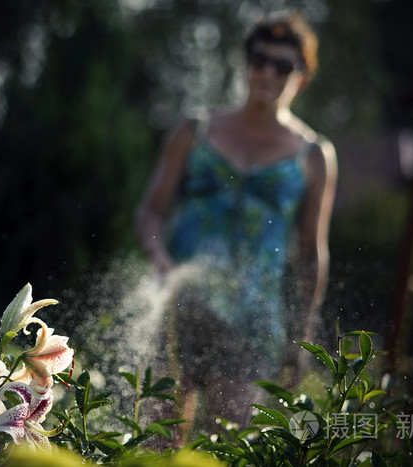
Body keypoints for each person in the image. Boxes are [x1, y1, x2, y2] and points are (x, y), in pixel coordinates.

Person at [134, 13, 337, 436]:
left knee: (223, 445)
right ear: (245, 66)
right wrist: (160, 257)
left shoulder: (314, 156)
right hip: (179, 307)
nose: (268, 72)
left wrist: (302, 337)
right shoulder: (195, 130)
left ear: (301, 77)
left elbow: (312, 251)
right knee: (156, 443)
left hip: (252, 321)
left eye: (283, 66)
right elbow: (150, 211)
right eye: (259, 60)